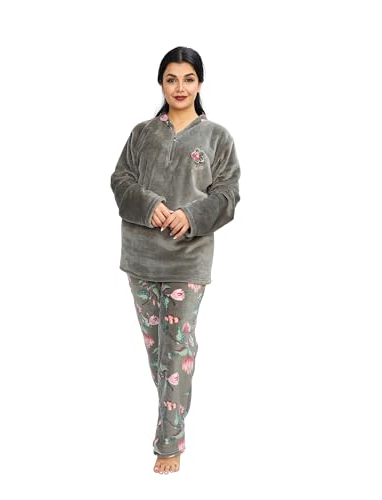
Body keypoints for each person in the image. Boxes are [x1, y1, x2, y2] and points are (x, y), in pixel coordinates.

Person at [110, 46, 241, 474]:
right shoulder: (141, 133)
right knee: (159, 352)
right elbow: (120, 180)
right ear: (161, 83)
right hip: (141, 259)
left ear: (200, 83)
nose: (180, 87)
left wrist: (191, 215)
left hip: (188, 261)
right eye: (171, 79)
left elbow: (228, 194)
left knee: (178, 347)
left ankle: (169, 443)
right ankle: (173, 418)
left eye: (188, 79)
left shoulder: (217, 137)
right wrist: (148, 204)